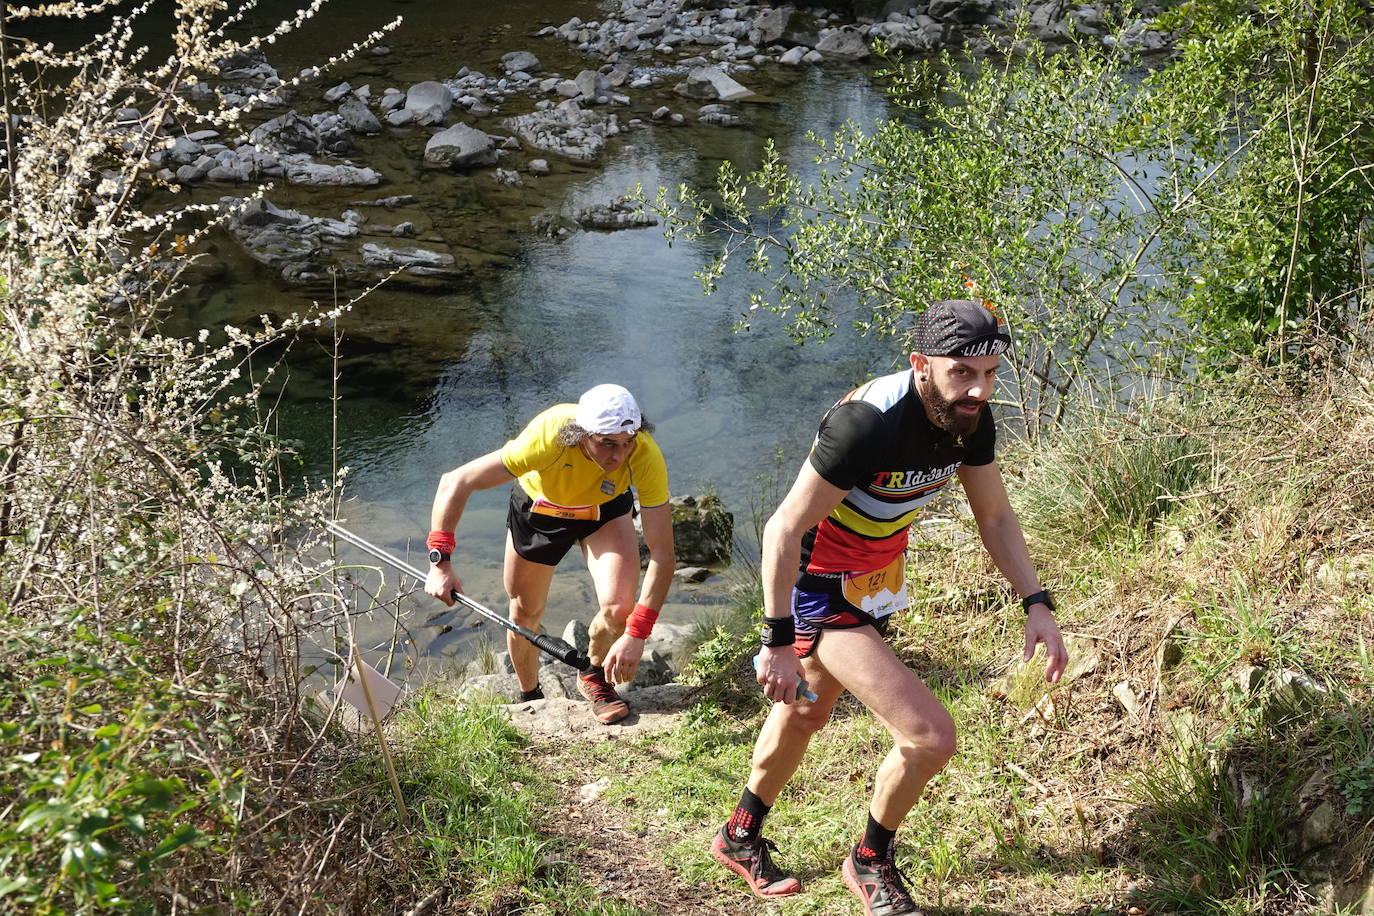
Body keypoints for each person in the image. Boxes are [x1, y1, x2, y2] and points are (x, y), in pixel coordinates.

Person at [710, 300, 1069, 915]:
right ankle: (869, 859)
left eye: (990, 373)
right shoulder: (867, 423)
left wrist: (1036, 601)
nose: (979, 389)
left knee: (805, 716)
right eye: (961, 372)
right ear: (921, 364)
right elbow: (782, 529)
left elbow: (995, 515)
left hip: (873, 578)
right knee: (930, 737)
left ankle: (738, 836)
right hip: (819, 585)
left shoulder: (969, 416)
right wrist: (776, 639)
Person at [424, 384, 675, 725]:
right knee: (525, 615)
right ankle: (531, 695)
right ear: (581, 435)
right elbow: (455, 481)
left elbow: (662, 553)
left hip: (604, 513)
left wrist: (637, 633)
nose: (619, 456)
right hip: (541, 512)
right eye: (607, 443)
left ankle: (592, 675)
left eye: (627, 441)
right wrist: (441, 562)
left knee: (620, 610)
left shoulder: (644, 455)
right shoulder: (549, 437)